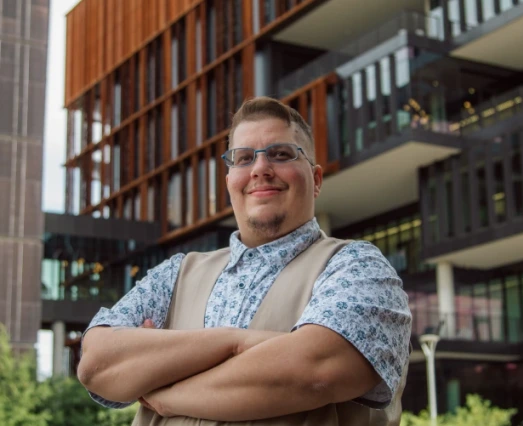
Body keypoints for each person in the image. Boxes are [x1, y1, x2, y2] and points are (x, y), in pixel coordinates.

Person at [78, 96, 412, 426]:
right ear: (230, 183)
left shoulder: (358, 266)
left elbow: (316, 372)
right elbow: (96, 363)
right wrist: (235, 342)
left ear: (317, 180)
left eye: (281, 154)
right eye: (243, 158)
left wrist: (164, 391)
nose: (260, 169)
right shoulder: (176, 272)